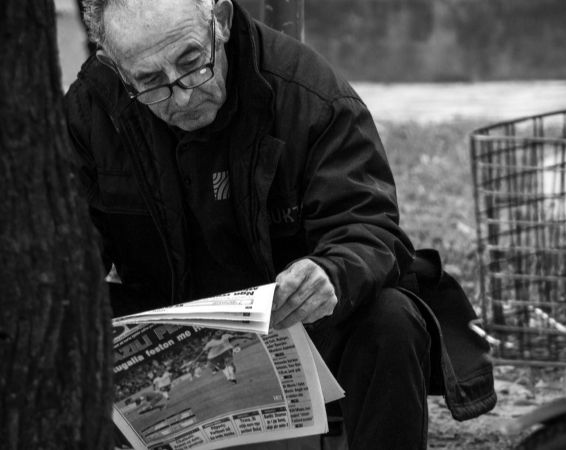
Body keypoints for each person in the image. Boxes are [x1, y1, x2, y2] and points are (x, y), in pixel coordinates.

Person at [65, 0, 494, 447]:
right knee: (65, 318)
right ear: (114, 66)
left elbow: (367, 226)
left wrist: (329, 273)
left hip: (292, 322)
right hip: (170, 314)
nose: (183, 95)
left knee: (390, 319)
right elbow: (65, 254)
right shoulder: (91, 109)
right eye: (151, 83)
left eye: (193, 63)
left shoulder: (309, 93)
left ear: (222, 22)